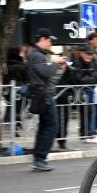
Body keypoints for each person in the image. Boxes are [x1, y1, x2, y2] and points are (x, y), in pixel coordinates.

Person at [27, 28, 66, 171]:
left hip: (44, 94)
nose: (50, 43)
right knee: (51, 126)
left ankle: (39, 157)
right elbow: (46, 72)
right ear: (42, 39)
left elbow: (49, 75)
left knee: (44, 127)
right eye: (49, 40)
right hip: (44, 96)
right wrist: (55, 62)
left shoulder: (38, 54)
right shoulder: (36, 55)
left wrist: (59, 67)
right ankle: (40, 158)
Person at [75, 46, 97, 144]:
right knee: (89, 111)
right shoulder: (77, 62)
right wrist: (93, 78)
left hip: (92, 89)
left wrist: (93, 78)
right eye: (88, 54)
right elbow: (80, 79)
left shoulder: (92, 62)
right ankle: (89, 134)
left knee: (96, 110)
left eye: (91, 54)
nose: (90, 56)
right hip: (83, 91)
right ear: (82, 53)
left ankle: (91, 133)